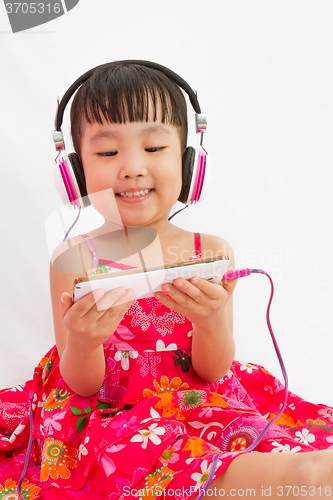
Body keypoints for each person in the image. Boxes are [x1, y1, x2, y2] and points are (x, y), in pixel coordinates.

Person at [0, 61, 333, 500]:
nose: (132, 167)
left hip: (198, 402)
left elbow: (213, 371)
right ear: (76, 173)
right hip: (112, 415)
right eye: (106, 153)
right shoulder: (75, 258)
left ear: (190, 163)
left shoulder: (209, 251)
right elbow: (81, 385)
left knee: (272, 446)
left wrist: (211, 321)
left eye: (155, 148)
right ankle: (294, 480)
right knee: (289, 476)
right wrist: (82, 342)